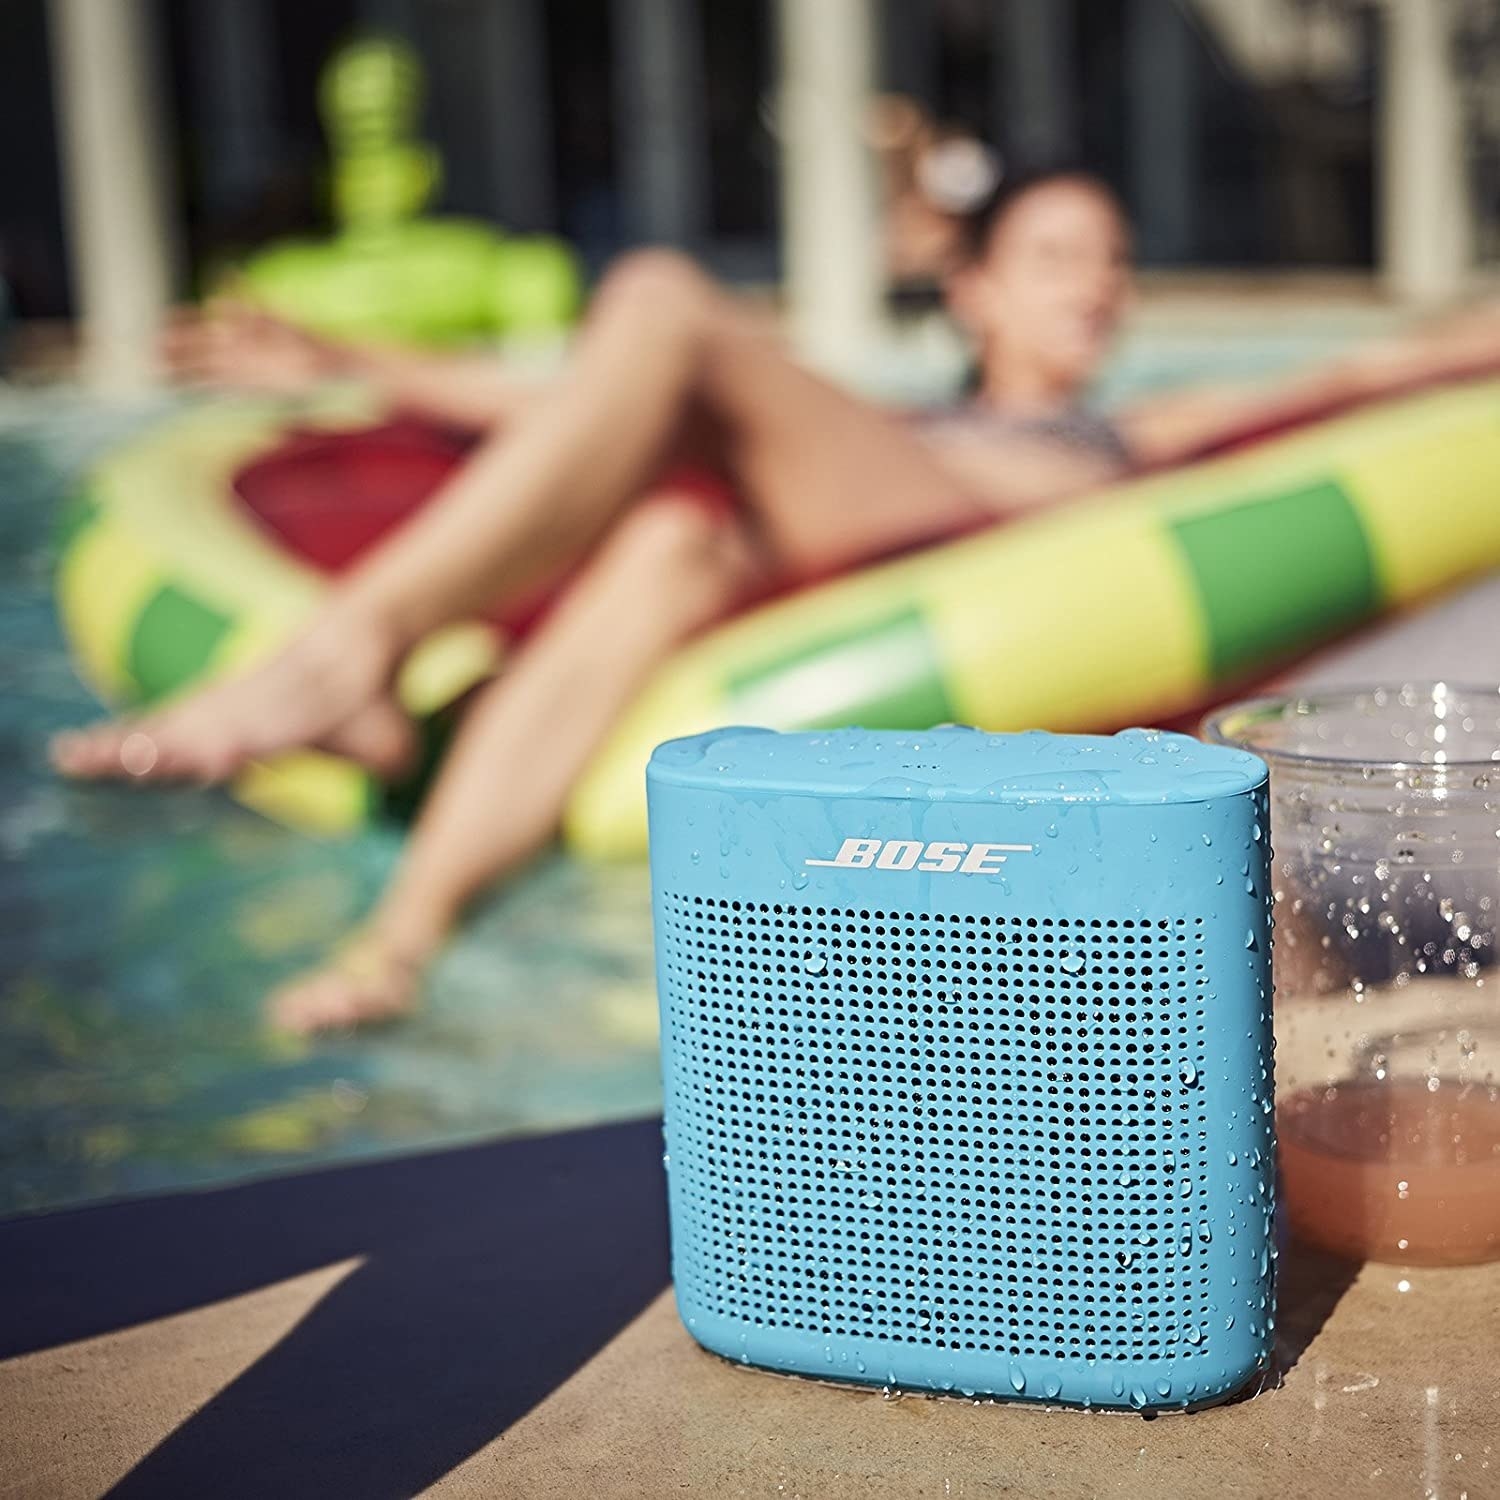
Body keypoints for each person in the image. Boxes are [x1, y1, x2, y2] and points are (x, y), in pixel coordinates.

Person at [48, 168, 1500, 1032]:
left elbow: (1361, 379)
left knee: (668, 302)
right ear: (974, 293)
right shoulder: (890, 424)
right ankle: (401, 937)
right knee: (673, 530)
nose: (1098, 288)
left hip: (978, 547)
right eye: (1056, 257)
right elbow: (566, 411)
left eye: (1113, 259)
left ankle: (347, 655)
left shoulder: (1137, 435)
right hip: (865, 526)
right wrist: (343, 368)